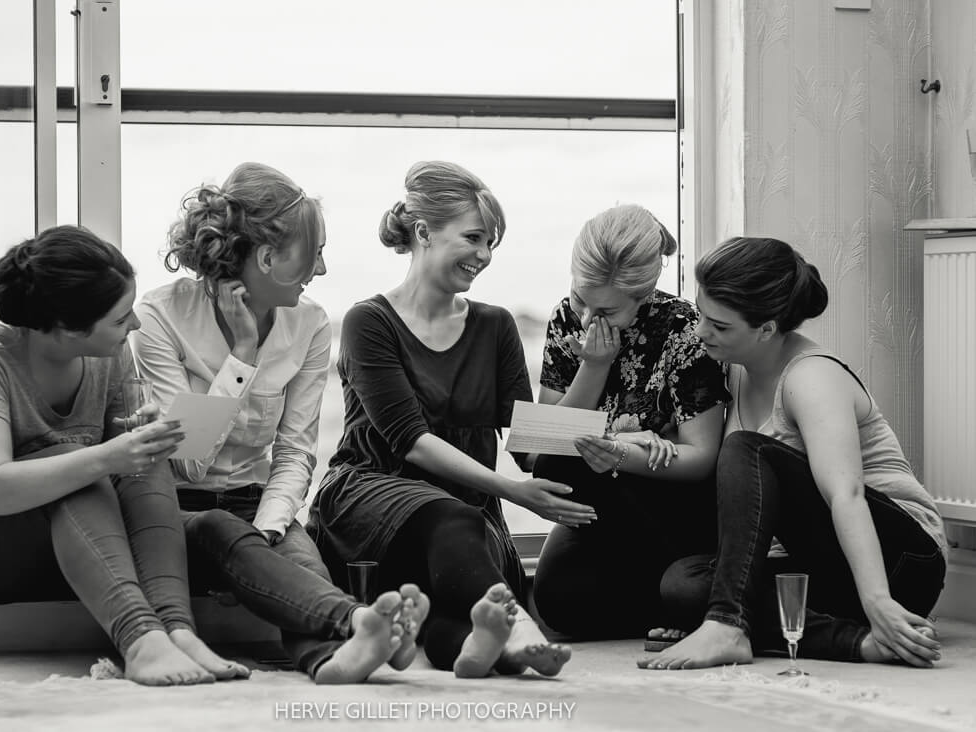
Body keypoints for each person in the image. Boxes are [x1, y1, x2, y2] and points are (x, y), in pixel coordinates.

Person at [0, 225, 239, 686]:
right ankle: (139, 640)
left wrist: (140, 437)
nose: (134, 325)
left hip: (43, 539)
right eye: (120, 319)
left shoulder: (109, 353)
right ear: (66, 330)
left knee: (144, 456)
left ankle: (176, 630)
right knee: (73, 463)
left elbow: (125, 457)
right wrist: (104, 457)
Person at [130, 162, 428, 684]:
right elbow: (190, 461)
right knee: (227, 533)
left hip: (255, 500)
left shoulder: (309, 322)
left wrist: (270, 527)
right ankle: (361, 630)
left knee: (303, 564)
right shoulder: (158, 317)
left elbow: (294, 453)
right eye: (315, 253)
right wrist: (242, 355)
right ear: (268, 257)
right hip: (178, 509)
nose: (323, 270)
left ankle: (337, 659)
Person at [308, 160, 573, 678]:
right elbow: (411, 441)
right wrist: (513, 492)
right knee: (455, 519)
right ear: (424, 232)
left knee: (453, 606)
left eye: (491, 242)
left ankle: (492, 647)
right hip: (372, 501)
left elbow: (530, 440)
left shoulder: (495, 326)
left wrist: (603, 415)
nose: (485, 255)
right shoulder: (370, 321)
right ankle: (521, 631)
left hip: (464, 525)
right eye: (474, 237)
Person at [638, 236, 947, 671]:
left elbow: (846, 494)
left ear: (766, 329)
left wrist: (878, 598)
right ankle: (857, 643)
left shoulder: (811, 377)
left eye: (720, 326)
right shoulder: (734, 368)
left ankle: (728, 624)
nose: (700, 332)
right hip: (824, 564)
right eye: (702, 315)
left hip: (900, 560)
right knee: (683, 585)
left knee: (747, 450)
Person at [529, 205, 728, 641]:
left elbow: (702, 457)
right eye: (582, 299)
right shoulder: (566, 318)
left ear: (645, 294)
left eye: (607, 311)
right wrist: (595, 366)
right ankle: (660, 603)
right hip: (599, 501)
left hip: (664, 499)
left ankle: (672, 597)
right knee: (557, 604)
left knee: (570, 461)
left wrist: (623, 452)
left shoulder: (683, 329)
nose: (587, 319)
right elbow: (538, 451)